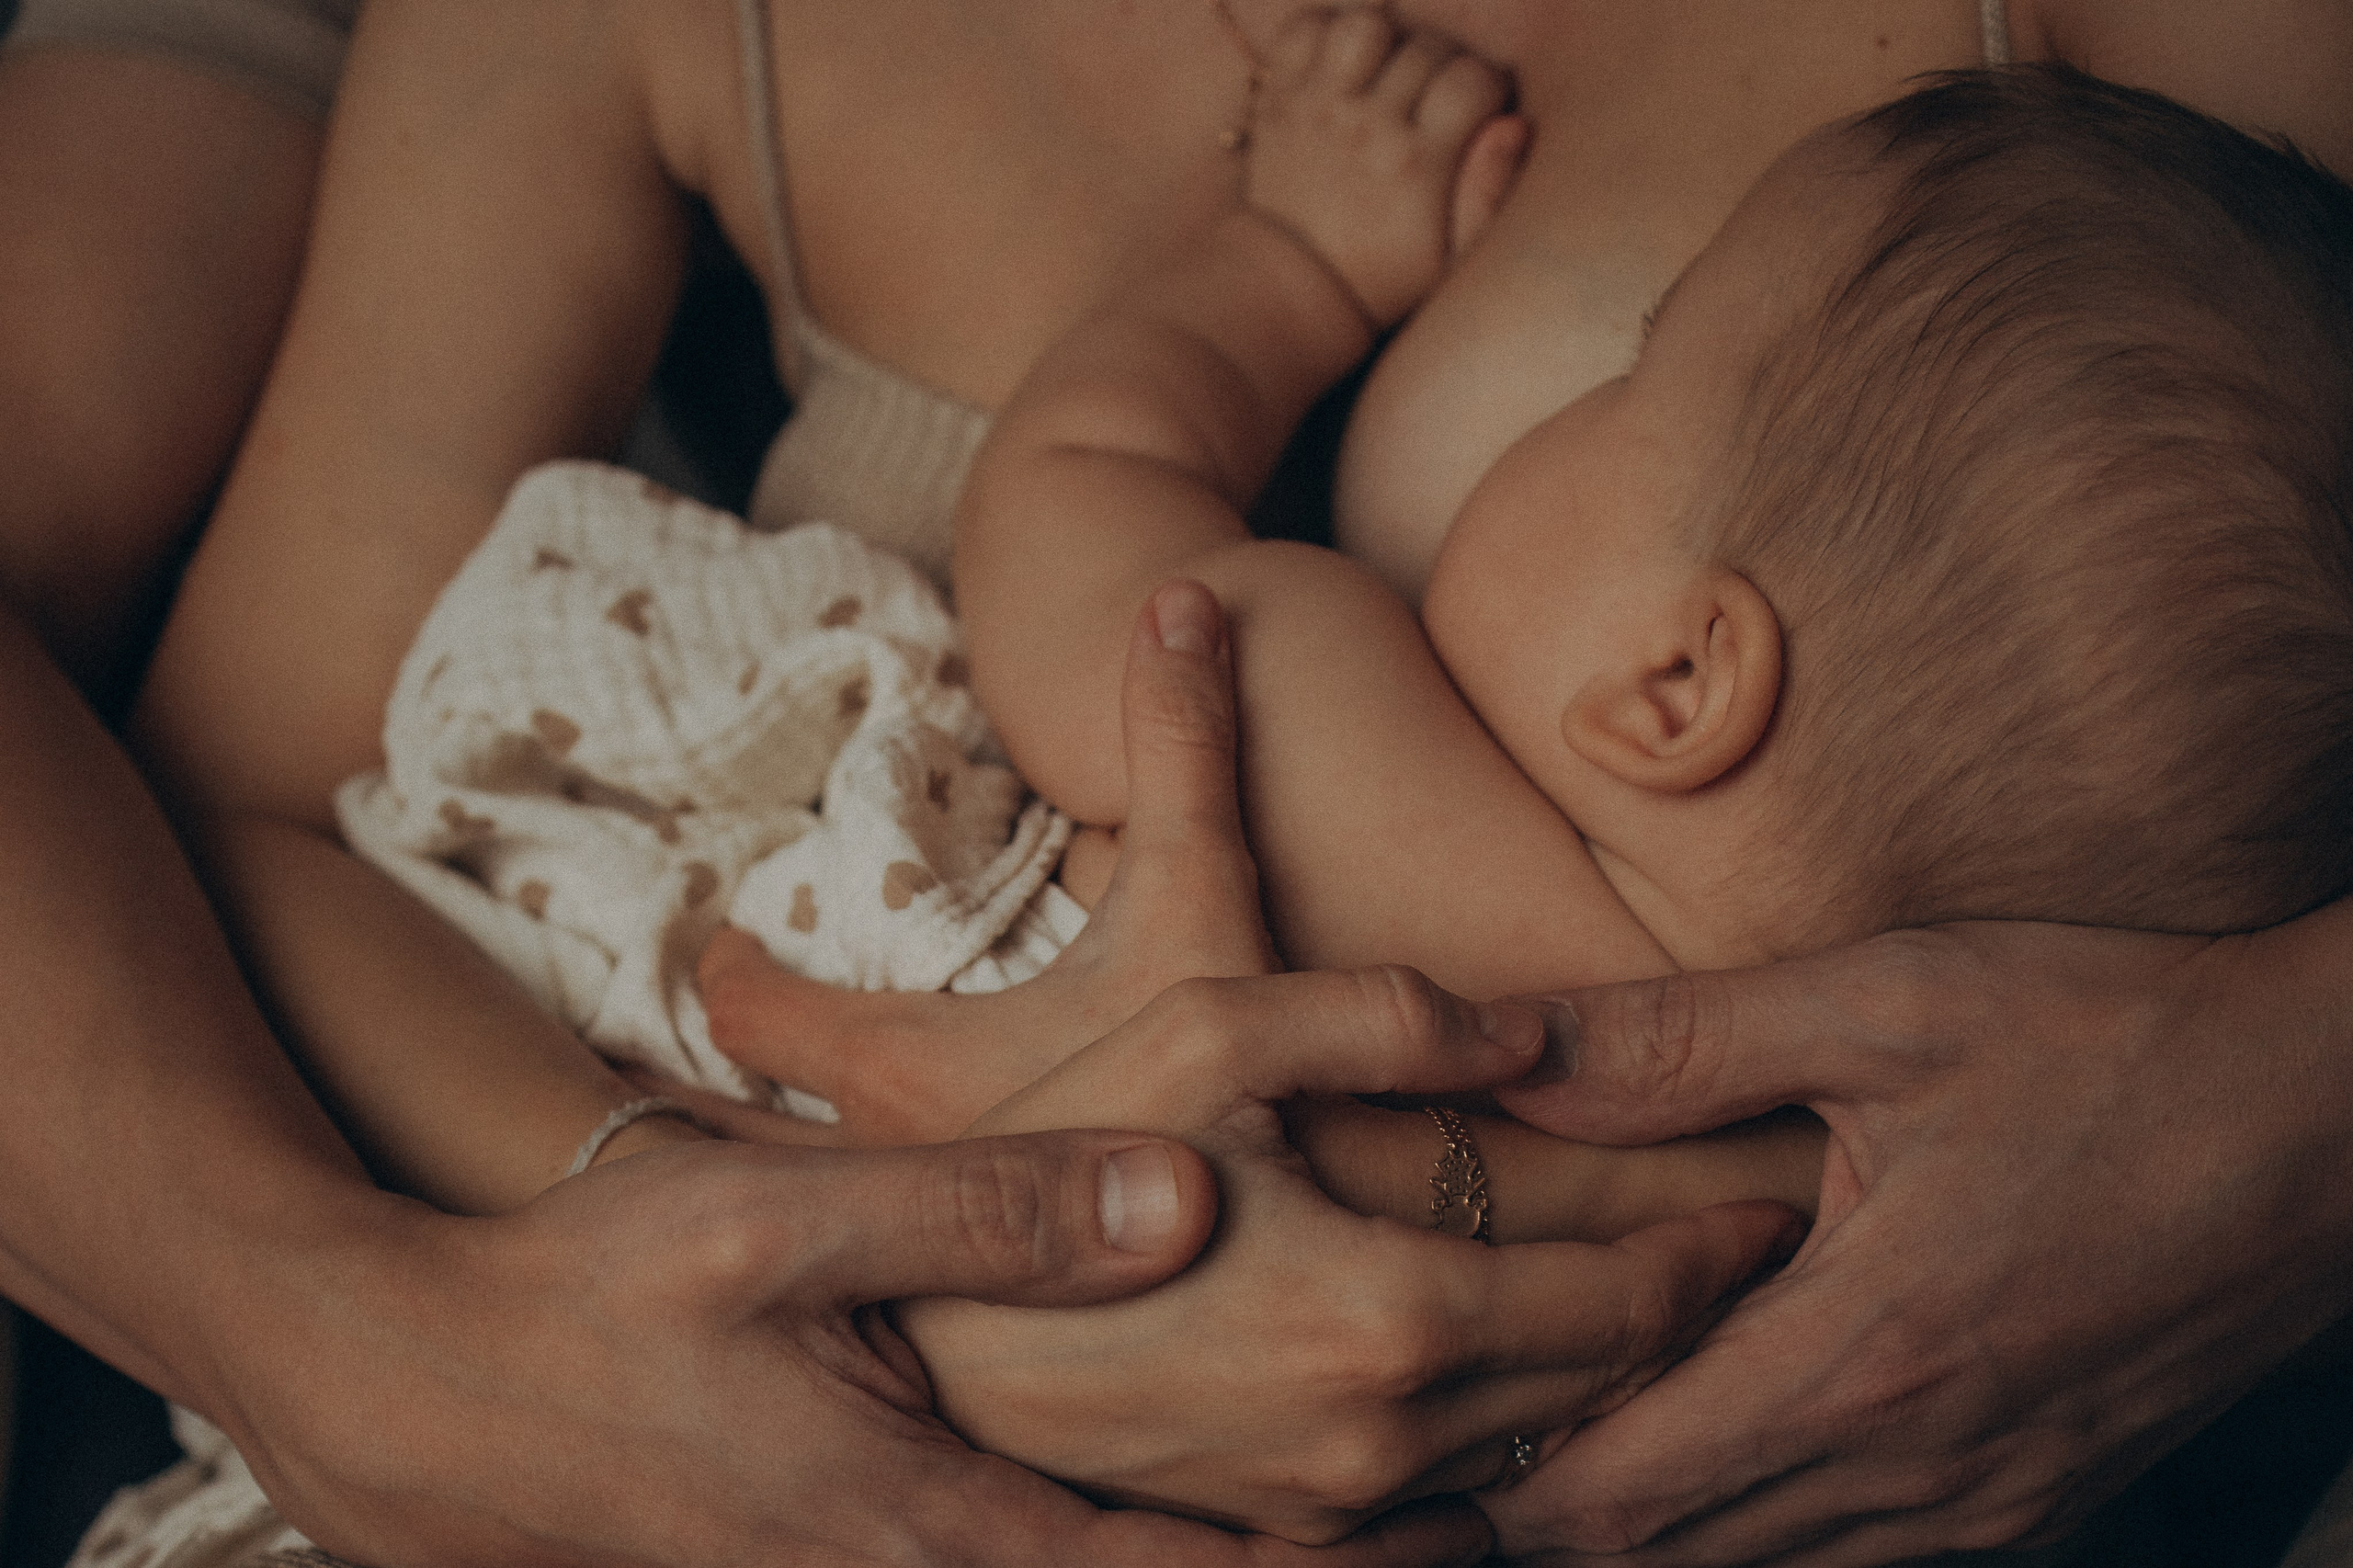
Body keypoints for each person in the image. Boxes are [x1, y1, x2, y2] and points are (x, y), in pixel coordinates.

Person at [68, 0, 2353, 1562]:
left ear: (1678, 685)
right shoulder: (1794, 1161)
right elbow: (248, 806)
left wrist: (1272, 272)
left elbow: (1088, 502)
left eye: (1634, 369)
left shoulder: (1322, 708)